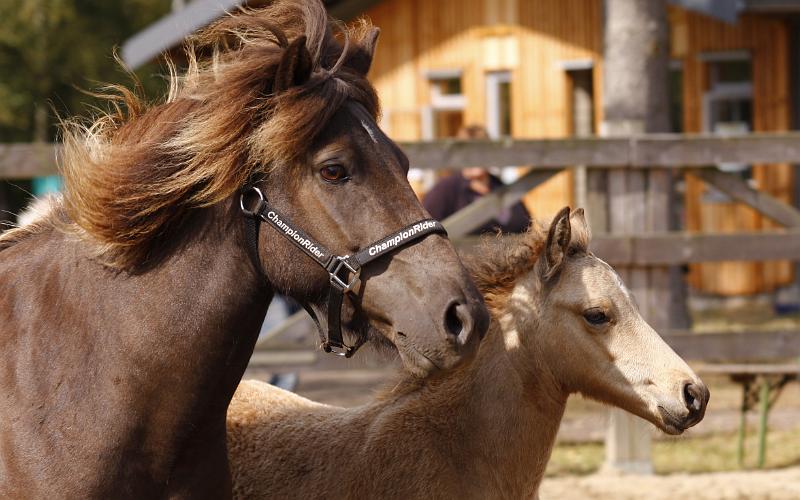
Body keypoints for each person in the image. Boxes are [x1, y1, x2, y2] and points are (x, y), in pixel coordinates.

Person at [423, 125, 530, 234]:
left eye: (481, 153)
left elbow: (527, 224)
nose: (474, 158)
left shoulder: (502, 186)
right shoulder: (444, 191)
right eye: (467, 153)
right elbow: (426, 234)